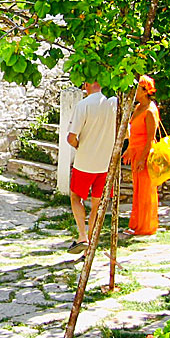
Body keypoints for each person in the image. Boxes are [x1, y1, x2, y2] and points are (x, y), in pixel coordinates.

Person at [65, 81, 118, 254]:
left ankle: (82, 236)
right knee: (97, 206)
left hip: (85, 162)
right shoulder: (113, 104)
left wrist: (80, 146)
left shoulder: (84, 105)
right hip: (104, 164)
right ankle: (91, 246)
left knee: (75, 197)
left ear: (86, 84)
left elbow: (71, 137)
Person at [122, 75, 160, 236]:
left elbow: (151, 138)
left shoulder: (150, 111)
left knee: (145, 190)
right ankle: (136, 224)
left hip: (146, 154)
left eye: (137, 88)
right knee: (138, 190)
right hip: (137, 152)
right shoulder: (138, 107)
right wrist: (129, 149)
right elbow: (134, 133)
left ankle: (145, 227)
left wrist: (143, 159)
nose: (134, 91)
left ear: (144, 91)